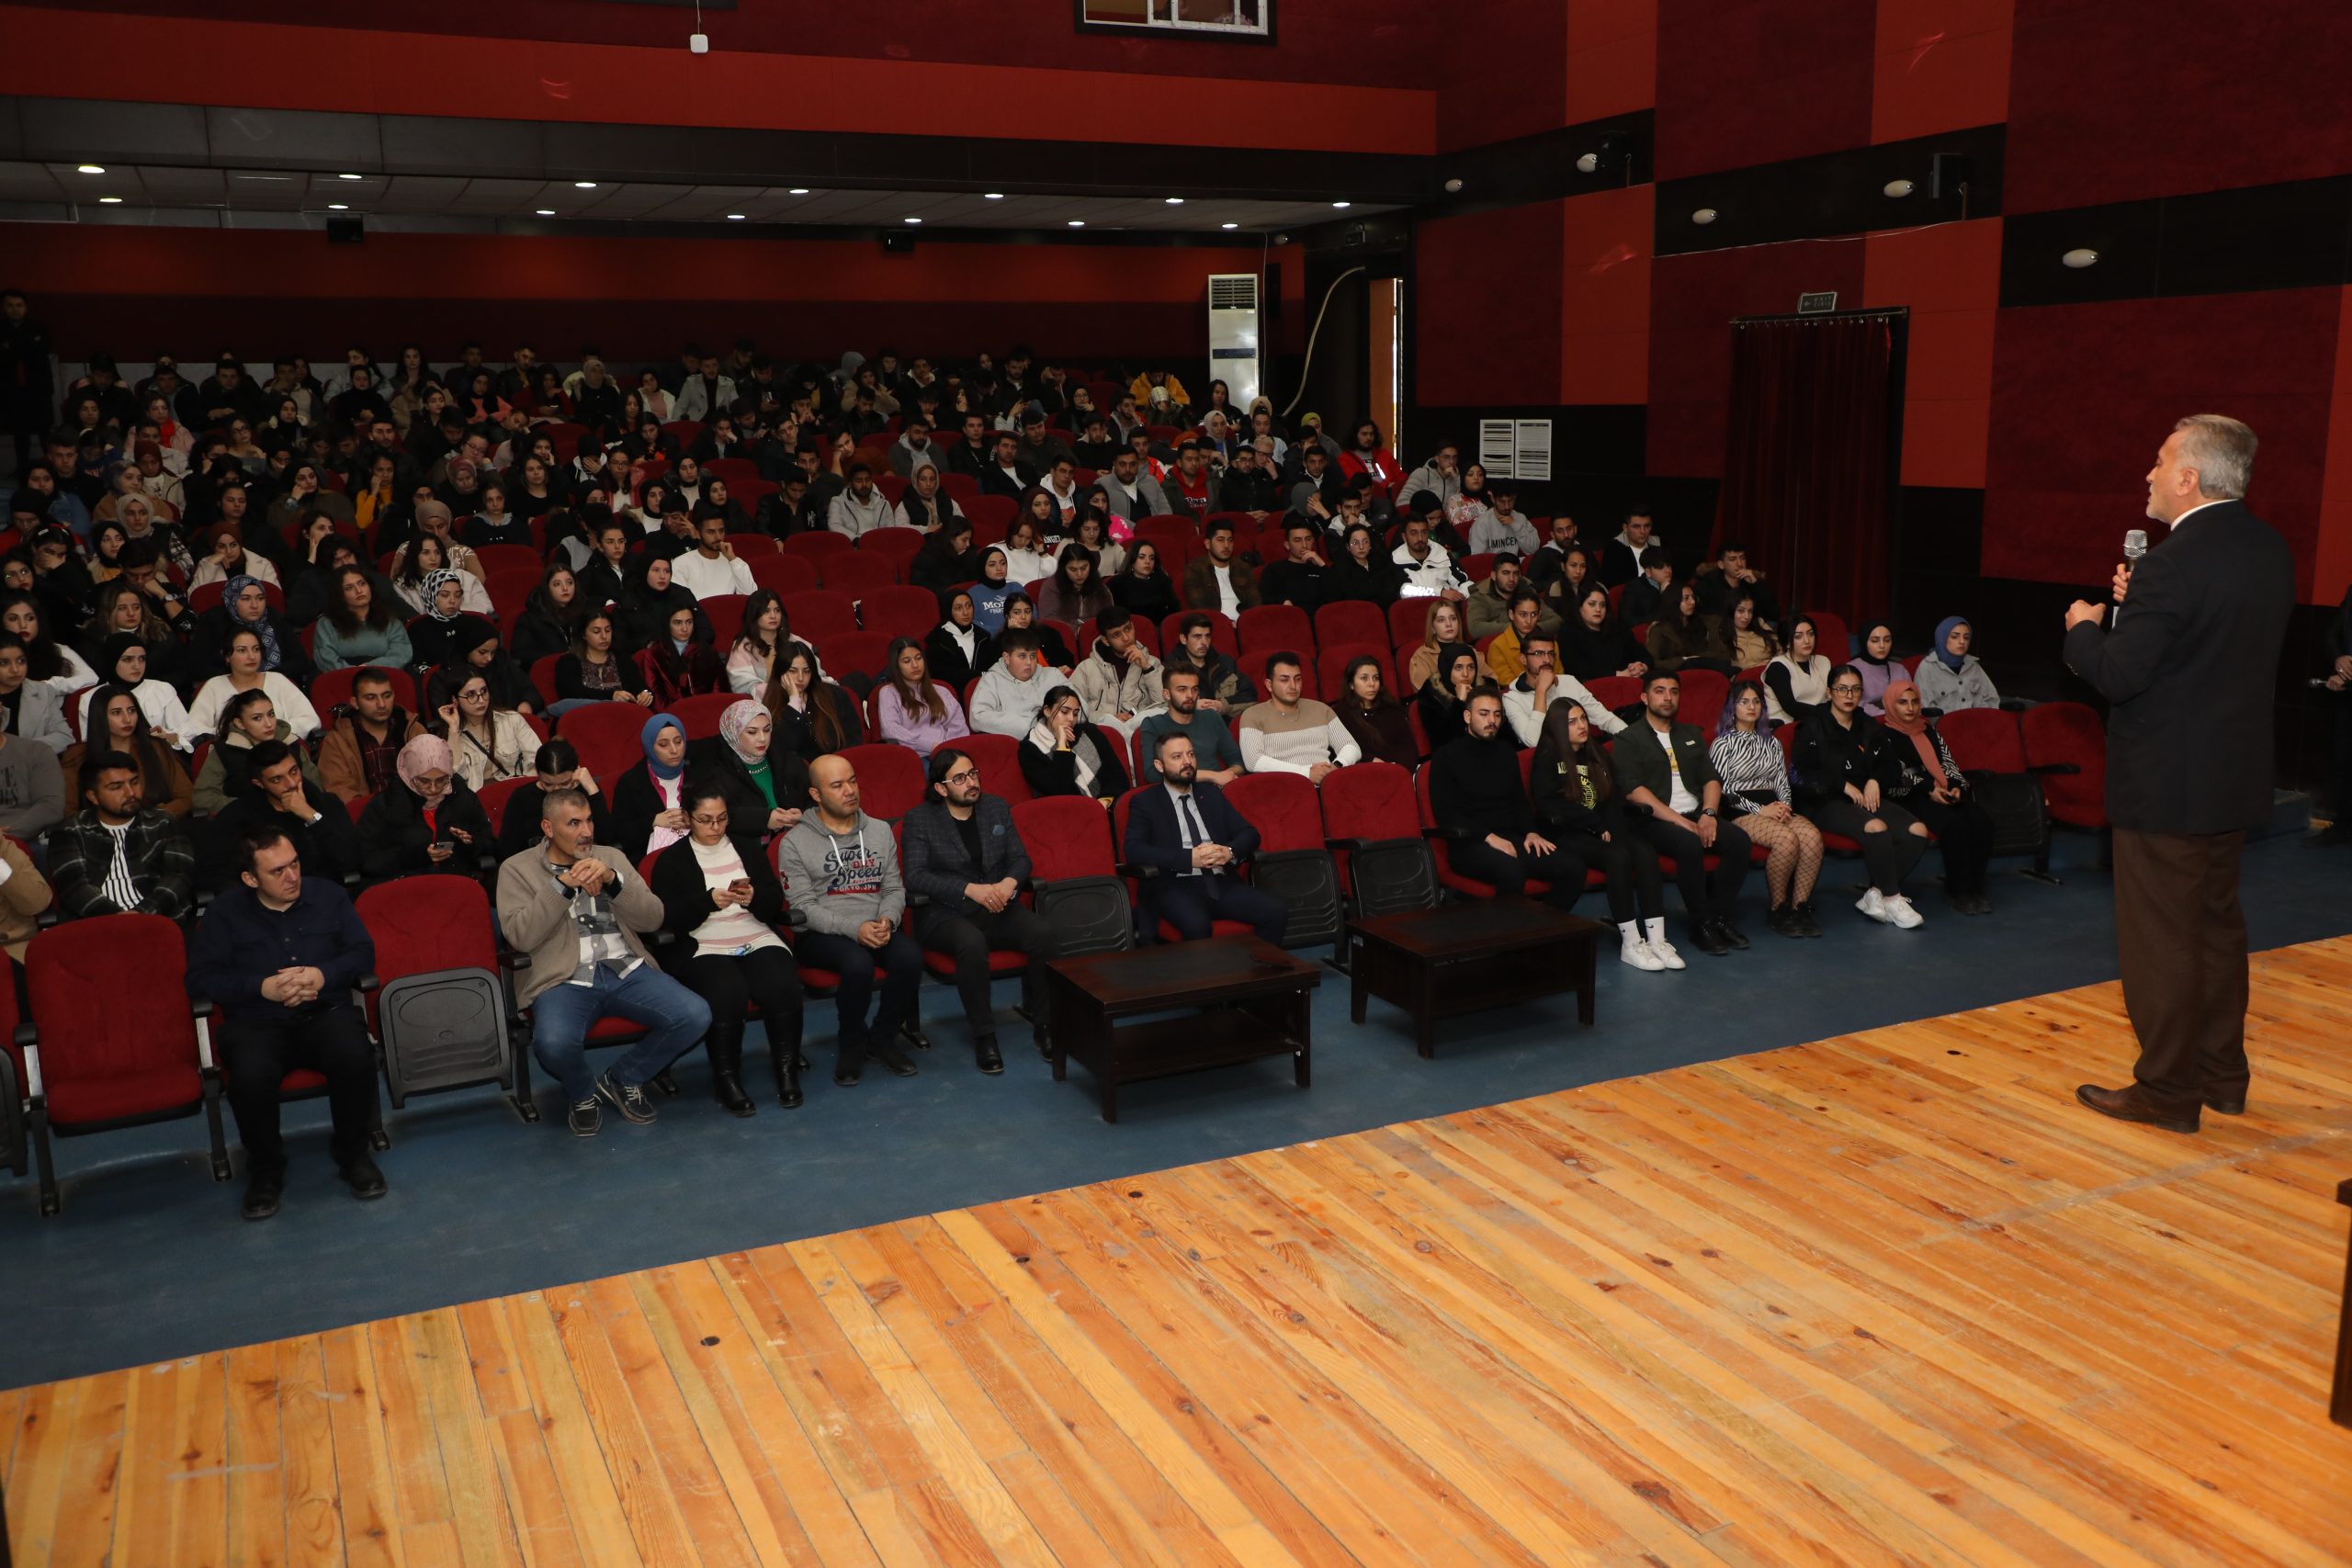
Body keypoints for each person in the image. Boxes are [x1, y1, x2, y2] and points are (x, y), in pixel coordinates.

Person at [2062, 413, 2295, 1132]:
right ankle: (2223, 1076)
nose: (2150, 473)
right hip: (2231, 778)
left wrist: (2085, 629)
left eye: (2160, 461)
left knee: (2162, 938)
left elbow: (2119, 676)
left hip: (2166, 784)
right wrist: (2140, 609)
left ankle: (2167, 1089)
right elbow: (2204, 649)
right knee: (2216, 930)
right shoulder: (2269, 548)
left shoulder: (2171, 565)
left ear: (2189, 478)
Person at [187, 827, 384, 1220]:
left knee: (354, 1053)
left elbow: (363, 953)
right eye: (278, 871)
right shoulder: (224, 913)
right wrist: (262, 987)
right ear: (250, 879)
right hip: (257, 1021)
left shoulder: (329, 896)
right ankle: (265, 1172)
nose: (293, 876)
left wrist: (323, 975)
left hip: (324, 1011)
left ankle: (353, 1155)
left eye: (294, 864)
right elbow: (201, 979)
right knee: (250, 1076)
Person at [498, 786, 712, 1135]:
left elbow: (653, 919)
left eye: (589, 821)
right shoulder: (517, 869)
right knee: (553, 1044)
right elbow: (521, 936)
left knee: (695, 1015)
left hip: (625, 968)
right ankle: (583, 1092)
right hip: (563, 978)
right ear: (548, 828)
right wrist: (562, 886)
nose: (586, 832)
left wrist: (613, 882)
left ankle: (624, 1077)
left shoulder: (611, 857)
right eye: (574, 823)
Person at [648, 782, 805, 1114]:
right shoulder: (671, 860)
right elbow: (666, 917)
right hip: (702, 941)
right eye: (705, 820)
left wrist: (754, 898)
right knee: (726, 992)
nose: (715, 827)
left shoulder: (746, 848)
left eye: (721, 818)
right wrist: (706, 902)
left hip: (753, 931)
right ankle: (727, 1080)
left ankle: (786, 1070)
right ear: (688, 818)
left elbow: (773, 900)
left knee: (782, 984)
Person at [902, 748, 1059, 1071]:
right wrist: (969, 889)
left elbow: (1020, 859)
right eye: (960, 778)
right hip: (944, 913)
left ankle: (1045, 1024)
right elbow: (916, 876)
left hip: (996, 906)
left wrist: (1009, 883)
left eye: (973, 774)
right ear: (941, 788)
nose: (971, 782)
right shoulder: (920, 819)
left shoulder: (996, 807)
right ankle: (984, 1035)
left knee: (1042, 933)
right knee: (971, 943)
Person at [777, 753, 922, 1087]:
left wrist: (887, 918)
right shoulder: (794, 842)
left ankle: (882, 1039)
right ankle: (852, 1044)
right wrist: (854, 929)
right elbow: (803, 907)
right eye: (837, 785)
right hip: (821, 932)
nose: (850, 791)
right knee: (858, 964)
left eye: (853, 781)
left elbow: (893, 888)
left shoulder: (879, 830)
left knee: (910, 957)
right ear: (816, 794)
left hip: (874, 923)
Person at [1611, 671, 1753, 955]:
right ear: (1644, 697)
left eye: (1674, 691)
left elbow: (1711, 779)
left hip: (1695, 813)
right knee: (1689, 843)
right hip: (1651, 819)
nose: (1668, 697)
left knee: (1739, 841)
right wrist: (1681, 823)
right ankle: (1701, 925)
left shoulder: (1690, 734)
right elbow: (1633, 791)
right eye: (1660, 691)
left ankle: (1719, 917)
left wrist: (1709, 814)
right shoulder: (1628, 738)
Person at [1530, 700, 1676, 969]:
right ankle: (1630, 943)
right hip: (1565, 832)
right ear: (1558, 727)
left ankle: (1657, 939)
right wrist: (1595, 824)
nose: (1581, 726)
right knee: (1617, 856)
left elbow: (1611, 800)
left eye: (1583, 719)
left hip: (1599, 829)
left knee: (1643, 851)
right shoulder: (1548, 756)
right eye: (1572, 722)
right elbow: (1549, 804)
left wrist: (1614, 831)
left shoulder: (1596, 753)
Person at [1792, 665, 1932, 928]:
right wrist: (1842, 785)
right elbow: (1802, 773)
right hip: (1825, 801)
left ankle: (1875, 892)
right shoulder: (1812, 726)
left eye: (1856, 689)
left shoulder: (1867, 724)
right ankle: (1892, 898)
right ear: (1829, 692)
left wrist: (1875, 780)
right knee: (1876, 827)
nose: (1849, 695)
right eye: (1842, 689)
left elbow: (1891, 765)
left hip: (1865, 797)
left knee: (1917, 831)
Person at [1123, 730, 1288, 943]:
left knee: (1276, 912)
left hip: (1220, 881)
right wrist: (1187, 858)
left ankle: (1257, 964)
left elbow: (1250, 834)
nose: (1187, 762)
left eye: (1191, 754)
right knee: (1197, 925)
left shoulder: (1211, 794)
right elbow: (1134, 850)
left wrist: (1229, 852)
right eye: (1177, 756)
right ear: (1159, 765)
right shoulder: (1145, 802)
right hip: (1173, 885)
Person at [1710, 678, 1824, 937]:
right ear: (1732, 707)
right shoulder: (1722, 743)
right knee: (1786, 839)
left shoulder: (1771, 742)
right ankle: (1778, 908)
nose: (1751, 707)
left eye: (1756, 701)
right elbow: (1723, 790)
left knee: (1812, 837)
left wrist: (1785, 806)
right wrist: (1760, 810)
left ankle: (1800, 908)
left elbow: (1782, 781)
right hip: (1739, 809)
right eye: (1744, 702)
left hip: (1774, 805)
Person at [1881, 680, 1997, 915]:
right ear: (1891, 705)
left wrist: (1956, 787)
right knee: (1954, 825)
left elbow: (1948, 764)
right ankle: (1959, 891)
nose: (1910, 708)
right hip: (1910, 796)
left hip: (1943, 792)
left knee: (1981, 820)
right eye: (1903, 702)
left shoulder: (1928, 730)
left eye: (1914, 702)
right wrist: (1928, 789)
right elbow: (1894, 775)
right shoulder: (1883, 736)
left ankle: (1975, 886)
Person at [49, 750, 196, 920]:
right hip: (96, 924)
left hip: (158, 919)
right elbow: (74, 888)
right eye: (116, 787)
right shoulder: (70, 830)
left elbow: (178, 876)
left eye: (134, 782)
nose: (130, 792)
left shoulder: (163, 822)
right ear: (93, 796)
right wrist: (120, 920)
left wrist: (141, 914)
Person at [202, 738, 365, 891]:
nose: (291, 783)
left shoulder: (327, 804)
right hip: (265, 902)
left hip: (325, 894)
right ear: (259, 783)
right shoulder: (237, 817)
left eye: (294, 771)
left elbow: (352, 859)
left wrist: (310, 815)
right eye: (277, 780)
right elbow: (214, 873)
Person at [356, 733, 494, 882]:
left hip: (455, 881)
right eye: (424, 781)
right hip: (405, 885)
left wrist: (470, 844)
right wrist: (416, 856)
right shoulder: (385, 805)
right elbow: (366, 861)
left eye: (442, 780)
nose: (433, 789)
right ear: (409, 775)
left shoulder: (462, 797)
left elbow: (490, 843)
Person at [694, 699, 810, 852]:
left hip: (798, 843)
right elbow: (718, 816)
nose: (762, 738)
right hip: (744, 851)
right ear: (733, 733)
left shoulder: (786, 759)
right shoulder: (716, 771)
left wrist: (804, 815)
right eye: (752, 732)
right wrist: (763, 820)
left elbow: (815, 797)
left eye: (767, 730)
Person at [63, 681, 193, 818]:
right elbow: (67, 810)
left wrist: (159, 816)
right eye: (116, 713)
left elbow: (187, 796)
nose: (127, 719)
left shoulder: (155, 747)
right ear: (100, 717)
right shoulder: (77, 756)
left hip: (154, 825)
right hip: (99, 829)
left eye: (131, 711)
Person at [1238, 653, 1360, 780]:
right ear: (1269, 685)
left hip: (1326, 782)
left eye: (1297, 679)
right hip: (1282, 785)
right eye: (1284, 680)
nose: (1293, 686)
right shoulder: (1252, 715)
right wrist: (1306, 773)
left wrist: (1336, 766)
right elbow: (1253, 761)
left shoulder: (1321, 709)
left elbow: (1351, 746)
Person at [493, 739, 613, 863]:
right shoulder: (522, 797)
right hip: (535, 866)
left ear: (576, 772)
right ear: (538, 774)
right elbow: (506, 850)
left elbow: (608, 840)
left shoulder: (587, 791)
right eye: (548, 784)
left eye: (564, 783)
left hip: (586, 864)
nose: (556, 790)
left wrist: (592, 789)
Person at [1502, 629, 1627, 747]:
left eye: (1551, 654)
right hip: (1551, 758)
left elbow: (1605, 718)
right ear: (1523, 659)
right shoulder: (1512, 699)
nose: (1547, 660)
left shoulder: (1569, 681)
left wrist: (1631, 737)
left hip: (1581, 751)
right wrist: (1541, 691)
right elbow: (1534, 742)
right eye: (1538, 654)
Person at [318, 666, 424, 803]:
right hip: (365, 812)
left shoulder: (414, 731)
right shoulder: (337, 741)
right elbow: (340, 791)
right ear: (355, 703)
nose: (381, 704)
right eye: (370, 698)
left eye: (387, 696)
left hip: (414, 808)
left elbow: (433, 779)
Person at [427, 667, 536, 792]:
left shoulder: (512, 720)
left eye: (484, 691)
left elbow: (536, 760)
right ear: (454, 700)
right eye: (470, 695)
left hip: (516, 790)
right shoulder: (450, 734)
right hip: (476, 798)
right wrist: (454, 730)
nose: (481, 700)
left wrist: (525, 789)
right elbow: (455, 779)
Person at [1021, 684, 1133, 803]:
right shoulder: (1029, 748)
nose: (1071, 719)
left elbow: (1118, 776)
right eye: (1064, 712)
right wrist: (1062, 747)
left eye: (1075, 714)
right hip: (1068, 810)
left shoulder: (1089, 731)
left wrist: (1106, 801)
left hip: (1107, 805)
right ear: (1047, 711)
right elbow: (1057, 789)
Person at [1136, 665, 1245, 785]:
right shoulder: (1153, 724)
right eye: (1182, 689)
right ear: (1167, 694)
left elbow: (1238, 761)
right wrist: (1212, 776)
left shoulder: (1211, 717)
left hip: (1216, 790)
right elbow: (1152, 774)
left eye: (1194, 689)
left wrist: (1227, 775)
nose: (1190, 695)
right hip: (1177, 792)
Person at [1069, 606, 1163, 743]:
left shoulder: (1153, 664)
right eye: (1116, 635)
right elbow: (1070, 711)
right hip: (1100, 736)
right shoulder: (1086, 668)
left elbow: (1165, 705)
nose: (1126, 638)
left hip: (1142, 735)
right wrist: (1110, 719)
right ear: (1106, 640)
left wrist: (1147, 669)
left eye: (1128, 629)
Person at [610, 712, 693, 862]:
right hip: (650, 860)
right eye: (663, 744)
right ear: (649, 747)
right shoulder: (631, 782)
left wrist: (694, 820)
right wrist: (653, 821)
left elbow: (721, 817)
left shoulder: (698, 775)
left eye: (678, 741)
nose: (674, 750)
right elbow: (619, 833)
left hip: (697, 854)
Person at [874, 637, 970, 760]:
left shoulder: (942, 691)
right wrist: (931, 746)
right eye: (907, 661)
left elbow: (959, 728)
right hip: (913, 756)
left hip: (946, 754)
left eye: (918, 658)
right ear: (897, 666)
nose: (915, 665)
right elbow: (891, 731)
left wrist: (946, 749)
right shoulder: (888, 693)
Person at [634, 603, 728, 707]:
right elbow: (657, 699)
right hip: (672, 713)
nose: (685, 629)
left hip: (707, 709)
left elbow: (719, 690)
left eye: (689, 622)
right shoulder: (654, 655)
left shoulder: (707, 651)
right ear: (667, 624)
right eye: (677, 623)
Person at [1331, 655, 1417, 769]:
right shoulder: (1341, 713)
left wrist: (1400, 771)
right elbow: (1342, 751)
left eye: (1376, 678)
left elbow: (1408, 747)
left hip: (1400, 771)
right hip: (1364, 772)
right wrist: (1369, 760)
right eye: (1364, 678)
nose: (1372, 684)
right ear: (1351, 684)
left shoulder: (1392, 709)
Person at [0, 632, 74, 753]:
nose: (15, 669)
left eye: (21, 661)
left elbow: (64, 737)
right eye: (4, 663)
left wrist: (20, 749)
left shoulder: (43, 691)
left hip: (32, 763)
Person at [1558, 584, 1648, 683]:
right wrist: (1618, 674)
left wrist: (1641, 666)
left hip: (1627, 682)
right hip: (1589, 686)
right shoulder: (1568, 632)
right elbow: (1576, 668)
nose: (1598, 609)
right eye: (1592, 604)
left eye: (1603, 605)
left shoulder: (1618, 629)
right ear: (1580, 607)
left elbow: (1644, 655)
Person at [1645, 582, 1737, 675]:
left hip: (1706, 671)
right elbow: (1652, 663)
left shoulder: (1707, 622)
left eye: (1693, 597)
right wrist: (1685, 659)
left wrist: (1697, 658)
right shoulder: (1659, 629)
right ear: (1673, 601)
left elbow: (1723, 655)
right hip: (1674, 675)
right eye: (1686, 598)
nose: (1692, 602)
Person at [1915, 615, 2000, 712]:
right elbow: (1925, 709)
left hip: (1975, 720)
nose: (1962, 642)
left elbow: (1991, 700)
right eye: (1955, 637)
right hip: (1943, 721)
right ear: (1942, 638)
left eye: (1966, 637)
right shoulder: (1927, 667)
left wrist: (1979, 717)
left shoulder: (1973, 666)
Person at [2322, 581, 2352, 847]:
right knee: (2343, 761)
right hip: (2348, 698)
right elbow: (2333, 632)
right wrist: (2339, 659)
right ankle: (2342, 827)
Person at [1763, 615, 1833, 725]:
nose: (1807, 641)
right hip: (1787, 725)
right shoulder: (1778, 666)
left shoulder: (1824, 661)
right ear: (1787, 642)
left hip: (1821, 722)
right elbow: (1791, 707)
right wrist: (1830, 713)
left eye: (1810, 634)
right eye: (1798, 637)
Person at [671, 513, 758, 602]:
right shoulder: (681, 563)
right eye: (711, 532)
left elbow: (750, 596)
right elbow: (679, 602)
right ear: (698, 534)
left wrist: (732, 560)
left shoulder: (733, 562)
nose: (718, 537)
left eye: (721, 531)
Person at [1182, 518, 1261, 616]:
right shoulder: (1195, 569)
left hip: (1245, 621)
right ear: (1207, 544)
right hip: (1215, 622)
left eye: (1230, 540)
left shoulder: (1243, 567)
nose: (1227, 545)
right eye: (1220, 540)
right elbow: (1200, 607)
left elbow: (1256, 602)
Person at [1417, 644, 1483, 753]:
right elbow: (1444, 742)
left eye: (1471, 667)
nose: (1466, 674)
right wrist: (1459, 703)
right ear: (1446, 669)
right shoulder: (1430, 698)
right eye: (1458, 667)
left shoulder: (1486, 690)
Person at [1851, 621, 1899, 715]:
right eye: (1875, 641)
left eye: (1887, 640)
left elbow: (1913, 701)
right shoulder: (1851, 670)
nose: (1882, 645)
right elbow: (1851, 703)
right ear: (1864, 642)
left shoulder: (1900, 670)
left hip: (1900, 721)